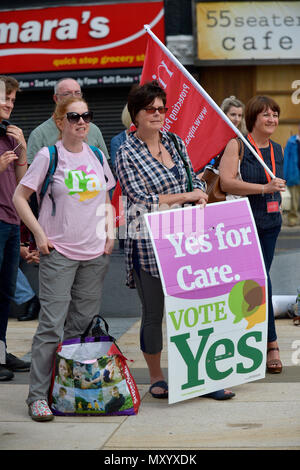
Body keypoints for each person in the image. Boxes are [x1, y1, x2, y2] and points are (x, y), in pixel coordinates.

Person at [115, 80, 234, 401]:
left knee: (196, 311)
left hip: (186, 240)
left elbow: (192, 175)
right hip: (148, 244)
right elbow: (140, 199)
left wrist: (199, 193)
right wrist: (186, 195)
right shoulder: (126, 153)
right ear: (135, 115)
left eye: (161, 109)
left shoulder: (175, 141)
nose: (157, 114)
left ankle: (203, 375)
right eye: (149, 109)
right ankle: (156, 377)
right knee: (154, 313)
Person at [13, 96, 115, 421]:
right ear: (60, 122)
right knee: (51, 327)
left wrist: (110, 235)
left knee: (80, 327)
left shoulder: (97, 155)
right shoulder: (48, 156)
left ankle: (67, 390)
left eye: (87, 115)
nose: (81, 122)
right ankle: (37, 398)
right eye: (74, 117)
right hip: (59, 254)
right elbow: (20, 196)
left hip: (94, 254)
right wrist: (40, 235)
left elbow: (108, 198)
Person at [219, 95, 286, 374]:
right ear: (253, 119)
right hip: (242, 223)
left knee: (257, 282)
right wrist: (263, 189)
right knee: (258, 281)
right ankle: (270, 343)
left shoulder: (278, 149)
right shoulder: (238, 145)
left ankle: (251, 337)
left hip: (271, 223)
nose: (271, 119)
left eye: (275, 114)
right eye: (265, 115)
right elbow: (226, 181)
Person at [0, 75, 31, 381]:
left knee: (6, 293)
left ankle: (1, 350)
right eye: (4, 98)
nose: (9, 104)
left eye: (12, 99)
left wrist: (21, 148)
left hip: (10, 221)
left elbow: (22, 182)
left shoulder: (10, 134)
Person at [26, 77, 109, 164]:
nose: (74, 97)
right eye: (67, 94)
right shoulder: (39, 135)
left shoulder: (93, 129)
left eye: (77, 93)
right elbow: (32, 172)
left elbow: (104, 167)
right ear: (56, 98)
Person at [283, 122, 300, 226]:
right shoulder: (291, 142)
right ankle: (292, 218)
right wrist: (284, 176)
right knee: (294, 200)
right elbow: (286, 160)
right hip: (294, 174)